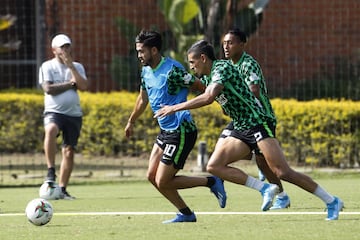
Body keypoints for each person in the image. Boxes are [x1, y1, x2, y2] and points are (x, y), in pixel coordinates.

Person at [154, 40, 343, 220]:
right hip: (240, 125)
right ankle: (264, 189)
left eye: (192, 62)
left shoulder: (222, 68)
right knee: (214, 166)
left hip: (257, 122)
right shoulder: (206, 76)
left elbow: (209, 96)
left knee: (282, 172)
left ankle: (332, 201)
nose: (191, 67)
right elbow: (215, 95)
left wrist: (174, 108)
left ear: (203, 58)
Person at [124, 30, 227, 224]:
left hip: (181, 129)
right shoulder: (145, 71)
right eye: (137, 51)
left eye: (141, 51)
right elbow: (142, 98)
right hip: (166, 130)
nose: (138, 55)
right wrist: (131, 121)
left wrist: (224, 104)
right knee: (151, 176)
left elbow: (202, 86)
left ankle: (211, 181)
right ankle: (186, 213)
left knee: (163, 180)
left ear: (154, 50)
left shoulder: (173, 70)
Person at [219, 28, 290, 210]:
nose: (226, 46)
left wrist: (236, 102)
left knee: (268, 166)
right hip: (242, 118)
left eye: (231, 42)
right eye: (224, 42)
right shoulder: (227, 66)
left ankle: (281, 196)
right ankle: (220, 177)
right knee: (222, 143)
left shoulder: (247, 64)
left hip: (260, 117)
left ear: (242, 45)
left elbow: (254, 91)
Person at [39, 34, 88, 200]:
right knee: (51, 130)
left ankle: (62, 189)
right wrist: (70, 84)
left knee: (69, 151)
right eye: (62, 47)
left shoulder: (77, 67)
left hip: (74, 114)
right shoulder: (47, 66)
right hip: (54, 111)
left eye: (67, 46)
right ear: (54, 50)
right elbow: (48, 89)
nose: (65, 50)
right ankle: (50, 170)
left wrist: (71, 67)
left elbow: (83, 86)